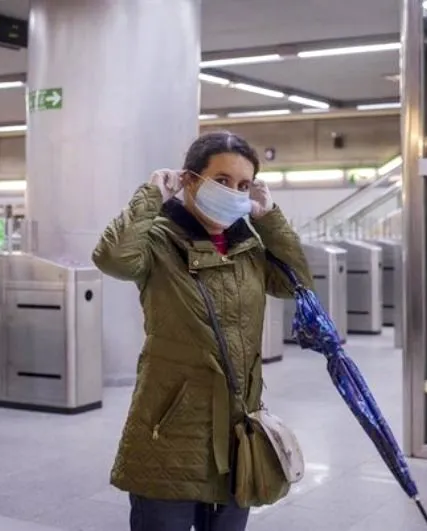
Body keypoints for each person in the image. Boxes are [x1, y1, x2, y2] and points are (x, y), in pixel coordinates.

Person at [91, 131, 312, 531]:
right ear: (191, 179)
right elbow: (113, 258)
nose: (233, 192)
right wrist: (151, 195)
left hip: (238, 435)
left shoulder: (249, 247)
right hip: (171, 435)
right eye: (222, 181)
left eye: (243, 185)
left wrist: (271, 218)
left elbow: (295, 281)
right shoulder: (159, 240)